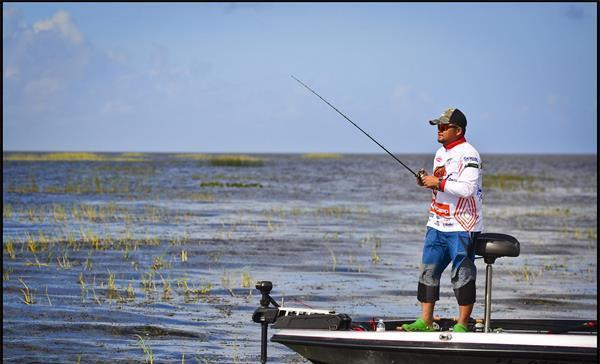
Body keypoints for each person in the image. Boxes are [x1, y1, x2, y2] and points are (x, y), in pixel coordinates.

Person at [401, 107, 483, 333]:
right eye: (438, 126)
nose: (439, 130)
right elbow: (441, 182)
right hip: (436, 223)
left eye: (444, 127)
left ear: (458, 130)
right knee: (428, 271)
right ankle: (425, 321)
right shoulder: (440, 153)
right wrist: (426, 181)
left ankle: (462, 324)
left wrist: (437, 183)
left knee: (462, 275)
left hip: (462, 226)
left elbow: (467, 189)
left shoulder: (469, 154)